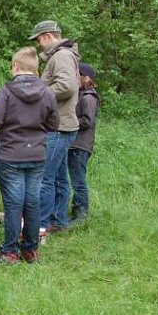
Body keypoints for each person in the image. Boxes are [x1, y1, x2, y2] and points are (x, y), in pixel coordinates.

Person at [0, 47, 59, 264]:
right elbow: (54, 123)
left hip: (11, 154)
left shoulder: (7, 90)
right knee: (32, 203)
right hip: (36, 154)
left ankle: (9, 252)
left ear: (16, 67)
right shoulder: (47, 92)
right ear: (36, 69)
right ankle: (30, 250)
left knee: (13, 204)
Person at [29, 20, 80, 234]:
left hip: (59, 127)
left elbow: (66, 87)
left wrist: (40, 92)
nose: (39, 44)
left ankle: (41, 224)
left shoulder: (61, 56)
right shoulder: (62, 56)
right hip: (63, 125)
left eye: (39, 39)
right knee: (59, 177)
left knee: (44, 177)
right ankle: (59, 221)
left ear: (49, 36)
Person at [68, 63, 100, 222]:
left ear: (86, 78)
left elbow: (87, 121)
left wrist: (68, 120)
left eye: (77, 75)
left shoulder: (88, 97)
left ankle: (81, 214)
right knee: (75, 179)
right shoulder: (81, 95)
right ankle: (75, 212)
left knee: (78, 181)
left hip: (80, 145)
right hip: (75, 144)